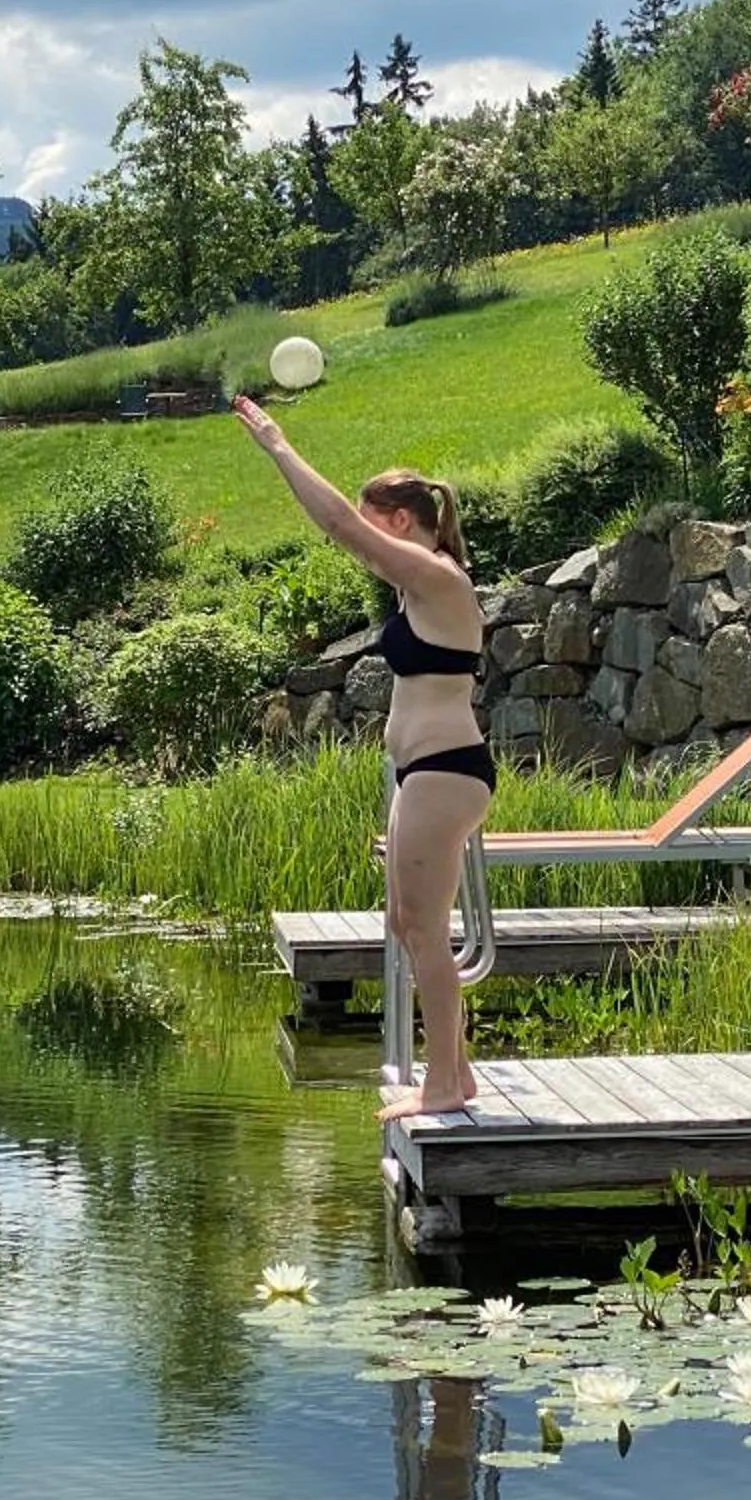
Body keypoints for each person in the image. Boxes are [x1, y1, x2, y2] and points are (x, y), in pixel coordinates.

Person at [234, 395, 488, 1118]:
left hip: (445, 772)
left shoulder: (440, 580)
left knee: (426, 930)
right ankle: (457, 1074)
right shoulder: (421, 591)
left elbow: (339, 524)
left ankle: (441, 1085)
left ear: (402, 523)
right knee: (409, 927)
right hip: (425, 774)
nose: (364, 543)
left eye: (377, 526)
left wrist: (280, 446)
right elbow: (351, 526)